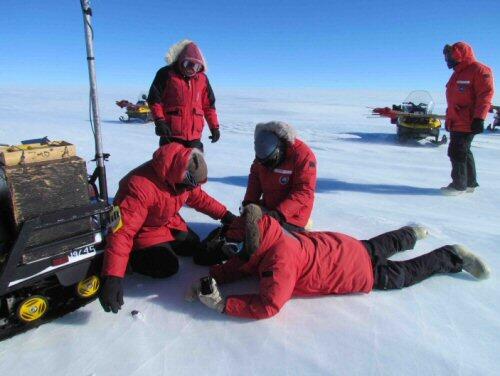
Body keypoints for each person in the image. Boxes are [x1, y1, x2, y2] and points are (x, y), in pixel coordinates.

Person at [186, 204, 490, 319]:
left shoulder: (280, 263)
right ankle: (411, 233)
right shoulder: (271, 233)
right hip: (344, 246)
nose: (232, 253)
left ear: (249, 243)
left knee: (407, 273)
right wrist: (217, 277)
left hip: (356, 272)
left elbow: (270, 305)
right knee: (379, 245)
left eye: (234, 247)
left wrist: (225, 305)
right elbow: (245, 263)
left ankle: (452, 255)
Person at [99, 143, 236, 313]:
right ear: (181, 176)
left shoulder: (183, 178)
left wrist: (225, 215)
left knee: (193, 246)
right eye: (190, 186)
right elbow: (121, 231)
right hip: (143, 231)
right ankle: (130, 260)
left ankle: (165, 245)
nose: (191, 189)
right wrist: (112, 276)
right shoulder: (138, 187)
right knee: (167, 267)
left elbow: (200, 199)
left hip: (168, 222)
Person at [243, 121, 317, 232]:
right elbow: (255, 178)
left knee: (267, 238)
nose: (267, 165)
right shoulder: (263, 152)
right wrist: (249, 201)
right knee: (242, 229)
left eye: (271, 161)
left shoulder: (303, 155)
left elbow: (304, 191)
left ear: (280, 148)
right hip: (269, 208)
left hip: (293, 216)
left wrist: (279, 213)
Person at [441, 42, 494, 195]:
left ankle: (458, 186)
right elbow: (454, 100)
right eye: (445, 57)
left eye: (449, 56)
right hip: (456, 120)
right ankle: (469, 183)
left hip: (468, 120)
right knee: (464, 151)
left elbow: (485, 95)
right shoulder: (457, 73)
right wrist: (449, 119)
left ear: (459, 54)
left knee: (456, 152)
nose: (447, 60)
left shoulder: (479, 70)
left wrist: (479, 118)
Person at [147, 39, 220, 150]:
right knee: (167, 165)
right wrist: (160, 121)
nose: (191, 69)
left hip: (194, 137)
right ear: (181, 61)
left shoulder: (202, 79)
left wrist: (214, 127)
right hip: (170, 134)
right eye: (187, 64)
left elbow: (209, 106)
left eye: (195, 66)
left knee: (196, 166)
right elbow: (154, 100)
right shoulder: (166, 74)